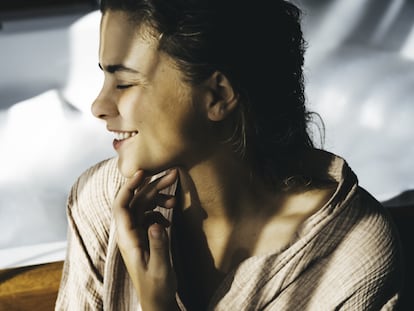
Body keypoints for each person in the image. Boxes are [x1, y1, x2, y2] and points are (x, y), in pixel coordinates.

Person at [55, 0, 403, 310]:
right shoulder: (103, 201)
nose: (98, 107)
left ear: (217, 96)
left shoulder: (349, 253)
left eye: (125, 83)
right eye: (103, 78)